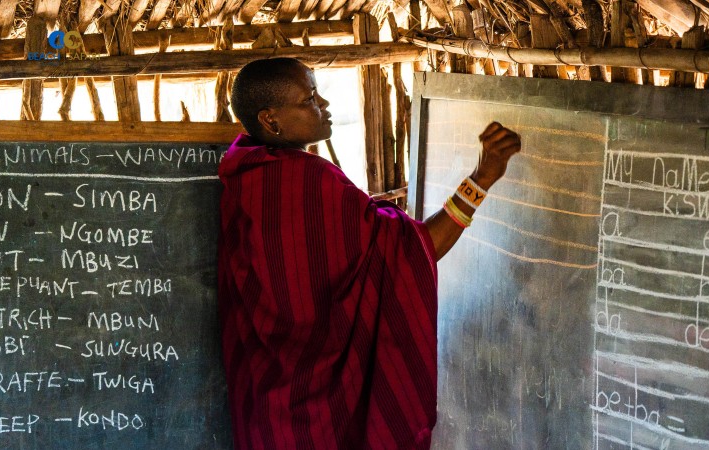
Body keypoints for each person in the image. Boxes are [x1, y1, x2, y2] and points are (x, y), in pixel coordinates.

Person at [218, 57, 521, 449]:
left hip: (267, 401)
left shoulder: (243, 173)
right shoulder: (309, 182)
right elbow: (415, 252)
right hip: (320, 410)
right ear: (271, 120)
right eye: (309, 99)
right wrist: (483, 177)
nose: (324, 105)